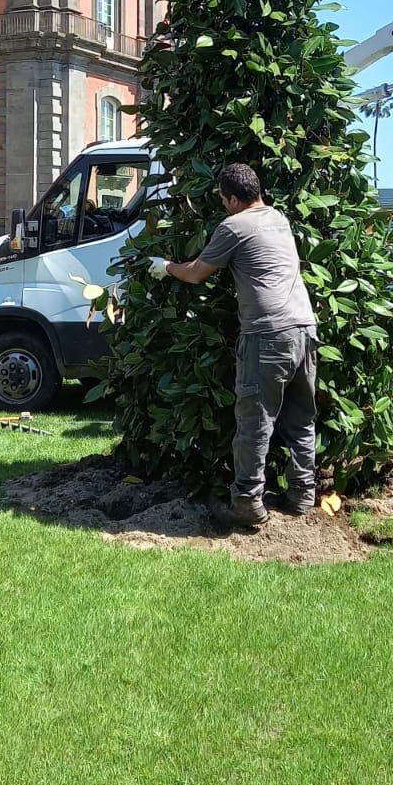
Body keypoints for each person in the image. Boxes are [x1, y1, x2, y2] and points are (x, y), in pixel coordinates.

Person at [150, 163, 317, 526]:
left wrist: (165, 267)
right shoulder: (279, 218)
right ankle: (303, 494)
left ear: (233, 198)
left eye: (224, 201)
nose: (224, 207)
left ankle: (246, 501)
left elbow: (196, 273)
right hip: (305, 329)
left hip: (267, 335)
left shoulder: (235, 225)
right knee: (301, 418)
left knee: (255, 421)